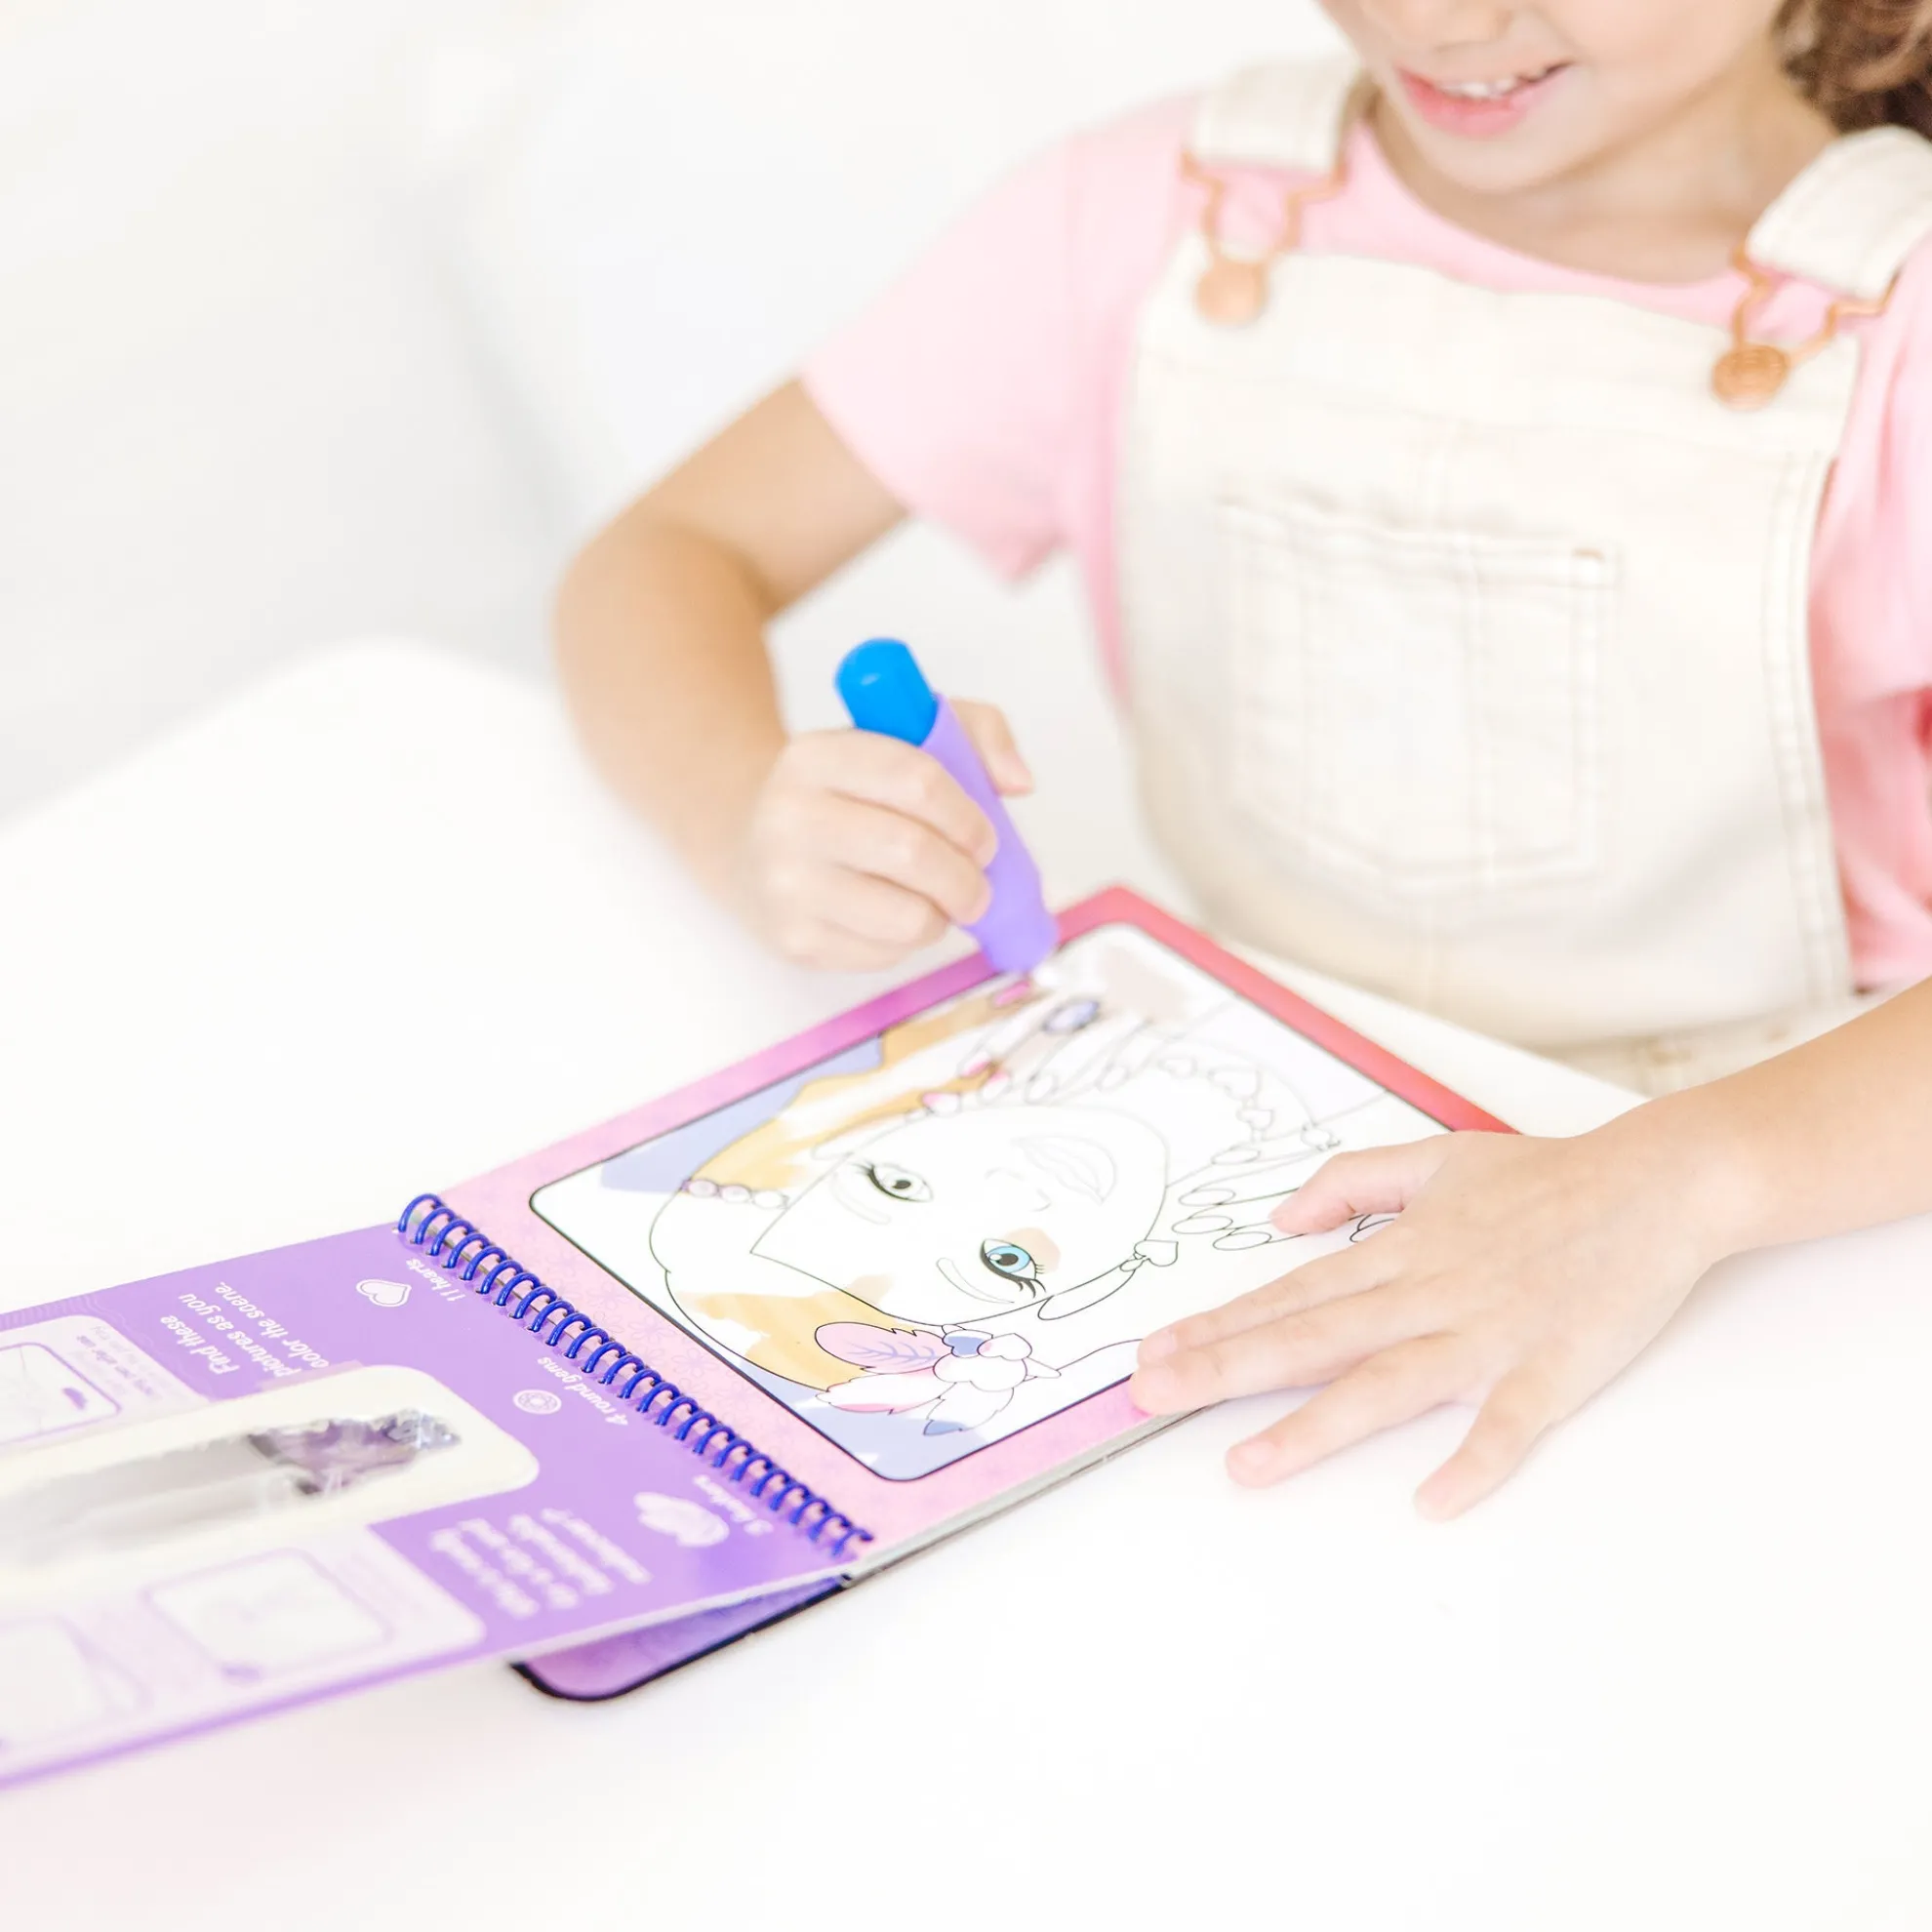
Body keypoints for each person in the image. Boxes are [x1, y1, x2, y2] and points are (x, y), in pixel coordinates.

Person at [552, 2, 1932, 1511]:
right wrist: (745, 814)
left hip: (1789, 1207)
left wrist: (1675, 1182)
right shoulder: (1136, 217)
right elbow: (663, 556)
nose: (1437, 18)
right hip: (1257, 1155)